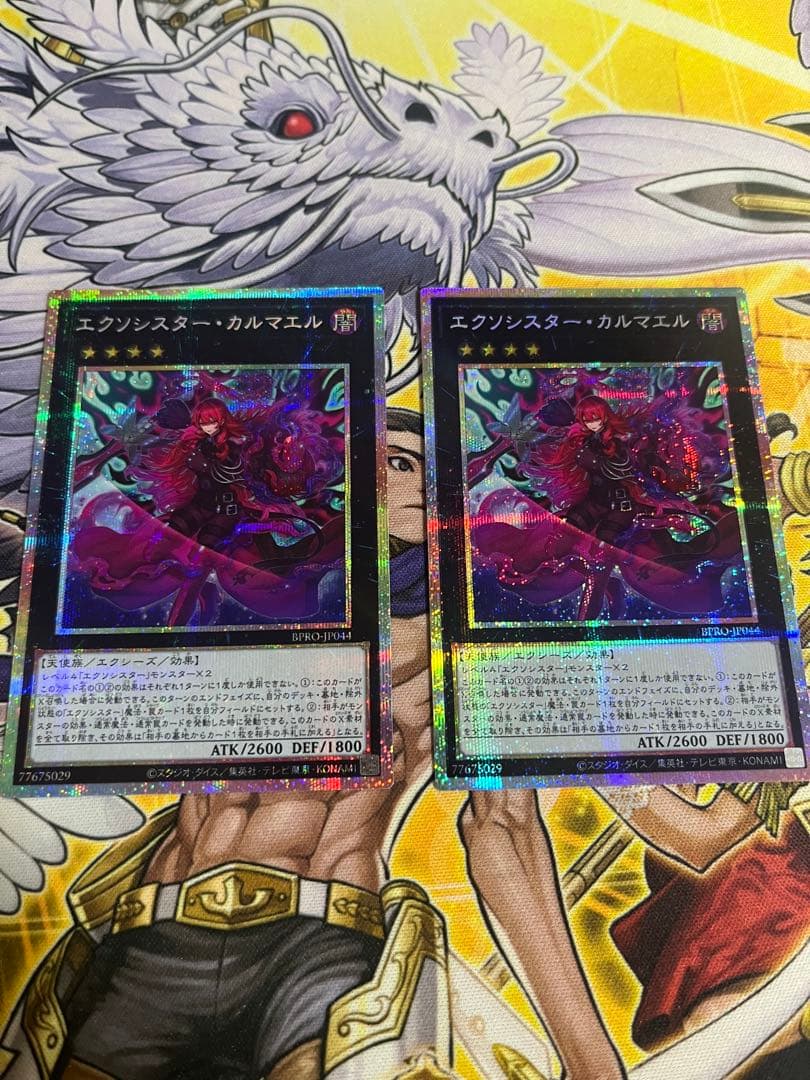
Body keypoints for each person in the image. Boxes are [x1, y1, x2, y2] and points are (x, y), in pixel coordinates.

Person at [17, 407, 624, 1080]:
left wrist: (592, 1064)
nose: (428, 488)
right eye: (400, 462)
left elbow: (505, 831)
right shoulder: (235, 588)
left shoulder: (464, 647)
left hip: (321, 949)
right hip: (153, 940)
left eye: (446, 474)